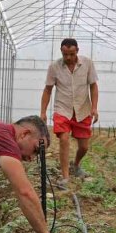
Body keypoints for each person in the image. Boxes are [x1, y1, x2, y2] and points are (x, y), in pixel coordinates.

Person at [40, 38, 99, 190]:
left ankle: (76, 165)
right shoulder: (54, 67)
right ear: (62, 52)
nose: (68, 58)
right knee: (64, 139)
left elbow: (93, 86)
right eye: (65, 54)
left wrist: (94, 107)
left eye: (71, 54)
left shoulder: (87, 64)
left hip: (82, 109)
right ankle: (65, 176)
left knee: (84, 147)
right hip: (62, 109)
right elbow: (48, 90)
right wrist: (43, 112)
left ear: (77, 51)